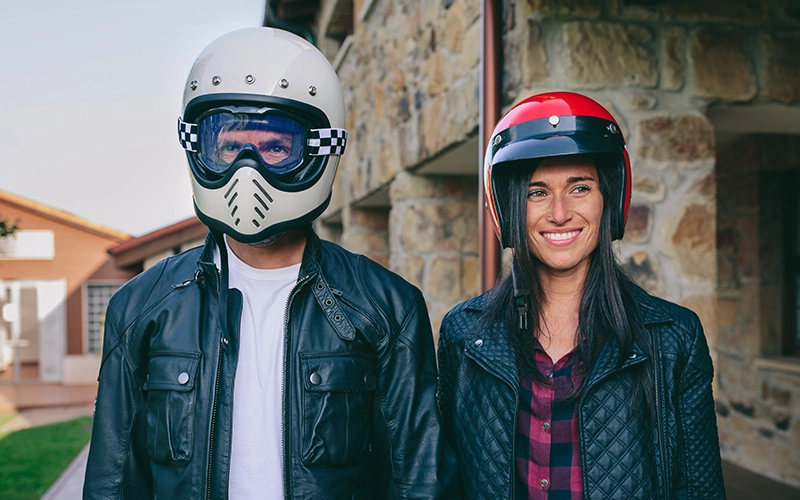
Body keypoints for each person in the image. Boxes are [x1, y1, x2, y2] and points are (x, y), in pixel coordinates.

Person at [84, 27, 457, 499]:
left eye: (276, 148)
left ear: (320, 149)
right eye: (228, 147)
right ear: (198, 148)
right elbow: (112, 482)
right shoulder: (140, 308)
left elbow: (419, 479)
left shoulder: (387, 307)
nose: (247, 170)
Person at [436, 92, 725, 499]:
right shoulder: (464, 334)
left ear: (609, 199)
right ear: (509, 208)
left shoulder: (674, 337)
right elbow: (445, 481)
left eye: (579, 188)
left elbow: (700, 490)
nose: (559, 213)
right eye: (537, 192)